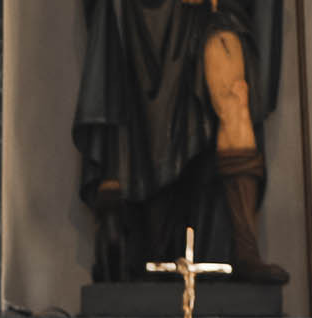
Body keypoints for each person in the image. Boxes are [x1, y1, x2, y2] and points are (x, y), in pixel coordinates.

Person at [74, 0, 288, 283]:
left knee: (234, 92)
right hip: (147, 16)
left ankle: (246, 250)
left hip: (215, 9)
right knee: (141, 117)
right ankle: (123, 219)